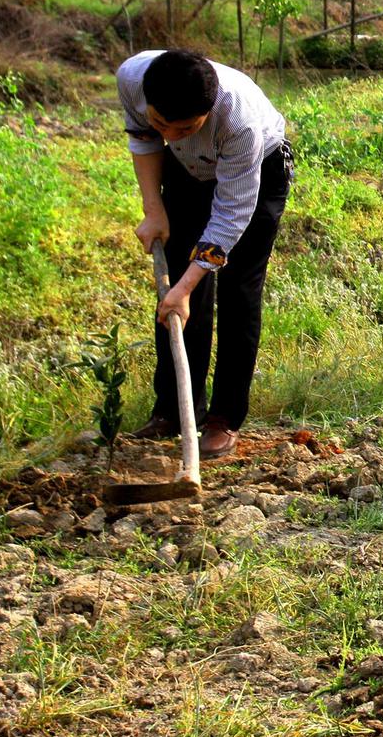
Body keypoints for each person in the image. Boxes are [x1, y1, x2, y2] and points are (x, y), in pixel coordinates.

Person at [118, 48, 293, 459]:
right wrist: (154, 209)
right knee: (174, 297)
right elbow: (143, 138)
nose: (172, 135)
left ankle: (224, 419)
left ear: (207, 112)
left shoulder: (239, 121)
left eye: (185, 128)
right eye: (162, 123)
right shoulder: (132, 78)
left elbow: (231, 216)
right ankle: (175, 411)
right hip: (187, 171)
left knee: (237, 293)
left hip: (257, 172)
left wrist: (188, 284)